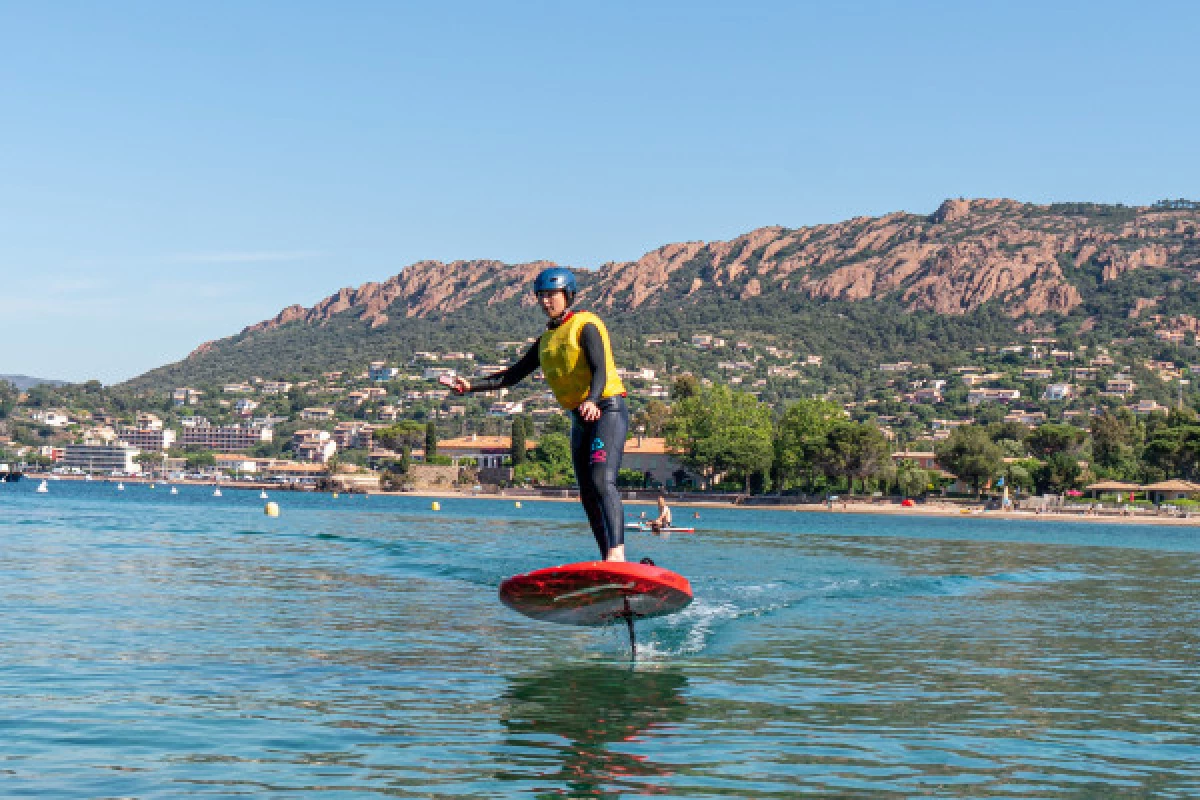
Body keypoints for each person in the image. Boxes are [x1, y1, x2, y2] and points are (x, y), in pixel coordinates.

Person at [446, 267, 632, 562]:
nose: (546, 301)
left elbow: (600, 368)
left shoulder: (587, 325)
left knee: (601, 481)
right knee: (586, 493)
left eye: (552, 295)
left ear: (568, 295)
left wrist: (594, 399)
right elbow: (512, 375)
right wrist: (470, 386)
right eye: (541, 296)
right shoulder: (547, 340)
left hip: (607, 408)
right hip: (580, 418)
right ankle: (605, 560)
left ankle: (617, 554)